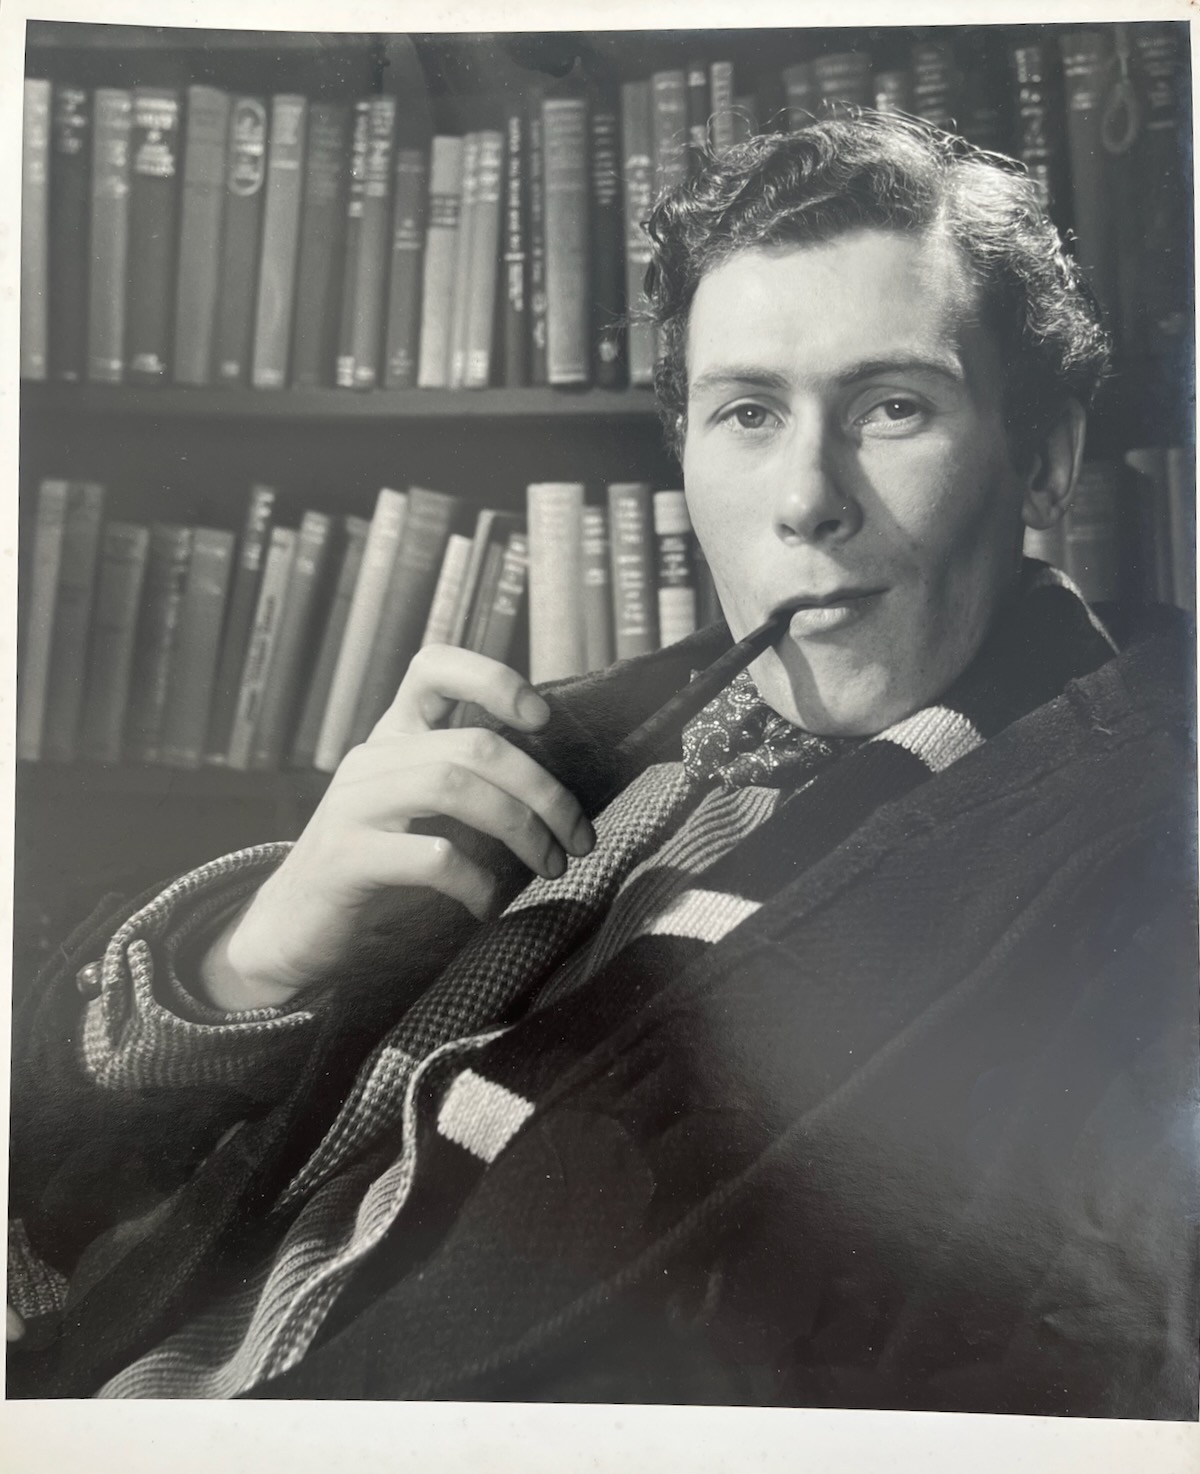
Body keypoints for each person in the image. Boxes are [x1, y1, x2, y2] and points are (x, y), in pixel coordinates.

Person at [8, 112, 1197, 1412]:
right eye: (747, 412)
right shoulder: (575, 729)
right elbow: (54, 1157)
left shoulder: (1143, 844)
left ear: (1046, 460)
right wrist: (253, 954)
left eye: (893, 407)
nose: (808, 497)